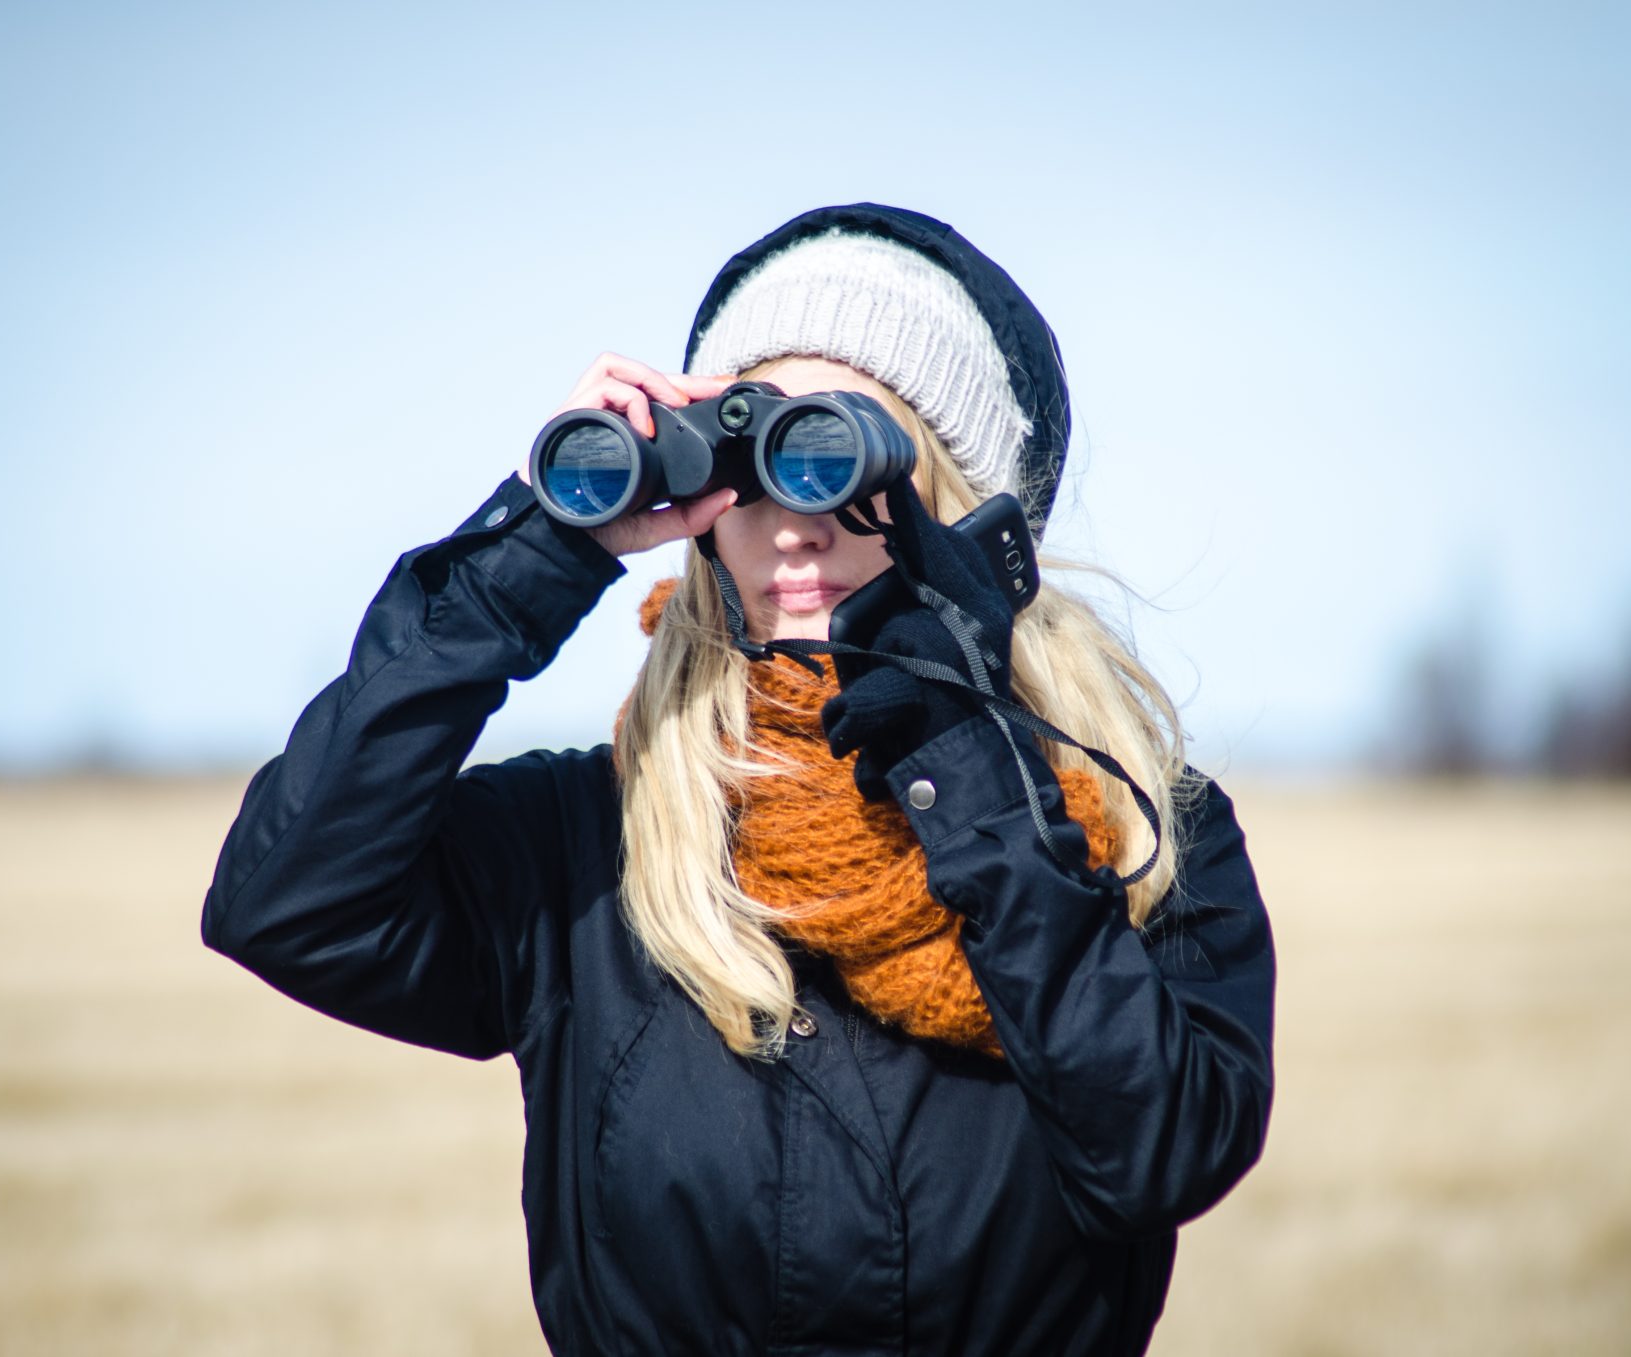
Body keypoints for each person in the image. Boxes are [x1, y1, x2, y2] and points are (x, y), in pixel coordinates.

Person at [201, 203, 1276, 1356]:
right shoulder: (591, 849)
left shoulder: (1136, 829)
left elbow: (1160, 1151)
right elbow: (288, 898)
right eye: (749, 467)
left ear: (965, 512)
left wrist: (958, 755)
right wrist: (534, 548)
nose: (790, 525)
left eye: (832, 458)